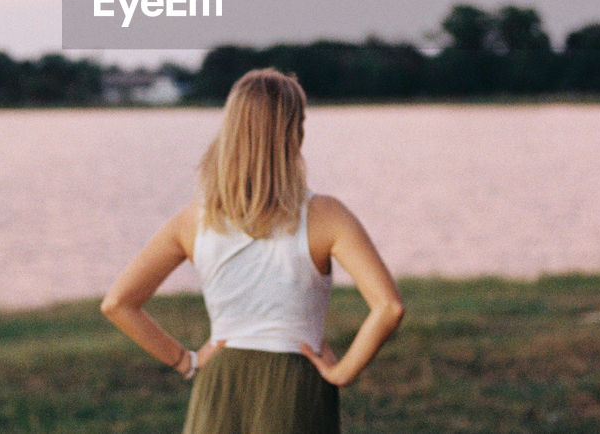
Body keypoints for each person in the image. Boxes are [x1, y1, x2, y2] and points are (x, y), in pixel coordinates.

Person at [101, 68, 404, 433]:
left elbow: (118, 303)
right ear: (294, 133)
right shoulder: (326, 216)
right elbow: (388, 307)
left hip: (219, 384)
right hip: (295, 388)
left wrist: (186, 360)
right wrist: (342, 372)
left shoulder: (194, 219)